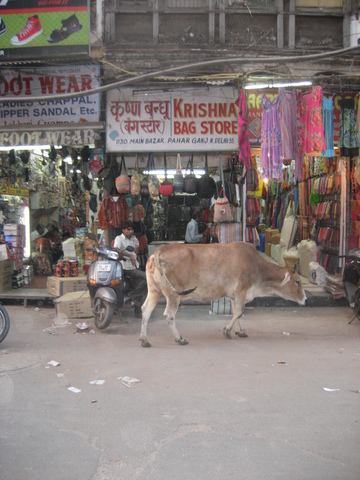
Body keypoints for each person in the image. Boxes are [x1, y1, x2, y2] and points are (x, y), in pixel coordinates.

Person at [113, 220, 147, 317]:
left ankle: (138, 312)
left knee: (139, 285)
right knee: (147, 277)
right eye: (128, 230)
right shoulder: (119, 238)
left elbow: (136, 247)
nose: (130, 232)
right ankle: (132, 295)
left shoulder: (133, 238)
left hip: (134, 266)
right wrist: (129, 255)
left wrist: (134, 255)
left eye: (132, 230)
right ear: (123, 230)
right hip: (125, 267)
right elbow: (117, 249)